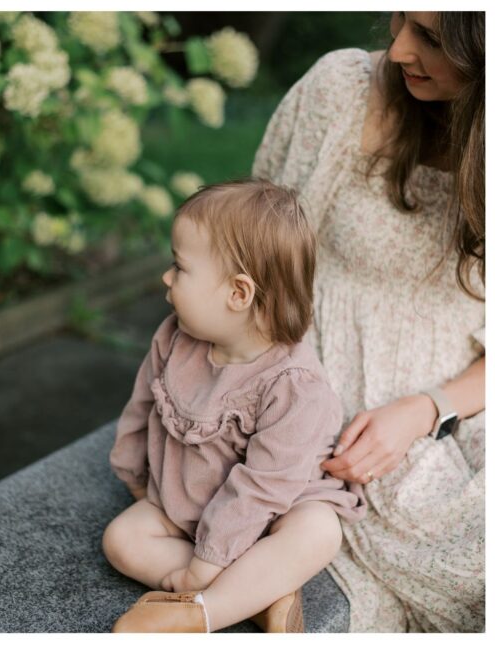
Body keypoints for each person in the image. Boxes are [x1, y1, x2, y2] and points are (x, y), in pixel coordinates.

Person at [253, 12, 484, 632]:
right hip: (337, 380)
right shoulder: (343, 88)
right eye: (402, 20)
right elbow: (249, 252)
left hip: (464, 389)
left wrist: (428, 407)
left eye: (431, 39)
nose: (400, 49)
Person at [103, 179, 365, 633]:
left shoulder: (296, 387)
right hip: (187, 501)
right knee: (121, 541)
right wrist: (137, 481)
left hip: (273, 511)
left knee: (320, 531)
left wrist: (202, 566)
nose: (166, 277)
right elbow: (139, 407)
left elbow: (263, 486)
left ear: (238, 294)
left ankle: (199, 612)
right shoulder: (174, 339)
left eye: (179, 267)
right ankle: (259, 597)